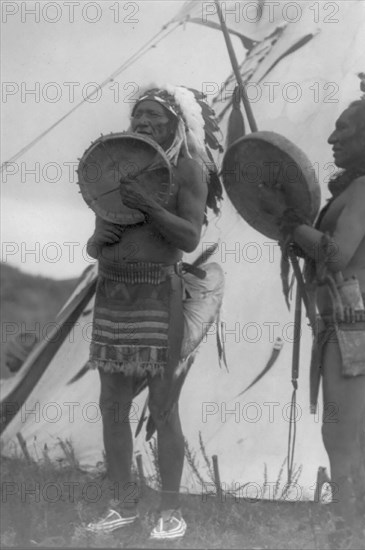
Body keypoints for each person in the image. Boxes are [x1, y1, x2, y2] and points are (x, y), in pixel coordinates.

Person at [85, 85, 224, 540]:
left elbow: (188, 238)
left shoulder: (188, 171)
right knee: (112, 406)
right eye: (137, 115)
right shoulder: (117, 167)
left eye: (153, 116)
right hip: (112, 294)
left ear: (175, 124)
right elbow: (97, 237)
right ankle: (122, 504)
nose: (142, 122)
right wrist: (97, 241)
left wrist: (148, 205)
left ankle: (170, 511)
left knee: (163, 408)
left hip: (157, 297)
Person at [280, 89, 365, 533]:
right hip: (350, 322)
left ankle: (349, 533)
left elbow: (336, 257)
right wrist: (298, 235)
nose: (332, 139)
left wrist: (294, 227)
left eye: (345, 130)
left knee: (337, 437)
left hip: (352, 325)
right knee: (354, 435)